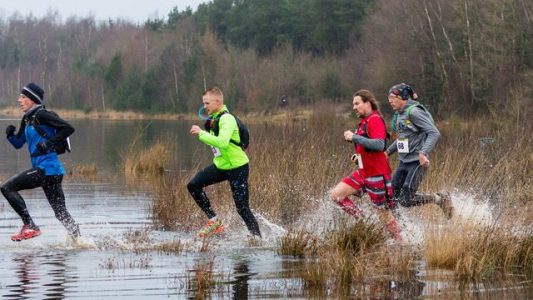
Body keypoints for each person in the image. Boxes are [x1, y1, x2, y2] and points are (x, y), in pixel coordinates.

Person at [2, 82, 80, 241]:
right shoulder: (27, 119)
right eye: (20, 97)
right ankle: (79, 241)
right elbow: (18, 143)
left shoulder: (42, 115)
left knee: (7, 188)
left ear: (32, 99)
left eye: (23, 97)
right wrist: (10, 135)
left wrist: (49, 144)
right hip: (51, 172)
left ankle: (30, 225)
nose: (20, 100)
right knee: (60, 213)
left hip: (48, 169)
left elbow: (68, 128)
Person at [188, 87, 261, 238]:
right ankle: (214, 222)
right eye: (204, 103)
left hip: (238, 168)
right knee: (193, 185)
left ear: (218, 102)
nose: (204, 106)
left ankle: (258, 240)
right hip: (221, 166)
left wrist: (201, 134)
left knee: (242, 209)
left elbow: (222, 142)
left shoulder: (227, 119)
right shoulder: (214, 119)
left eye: (207, 103)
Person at [330, 89, 402, 242]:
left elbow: (379, 144)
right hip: (363, 172)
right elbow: (369, 147)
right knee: (336, 195)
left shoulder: (375, 119)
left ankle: (402, 243)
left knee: (384, 215)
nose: (354, 107)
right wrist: (359, 156)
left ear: (367, 103)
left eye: (357, 103)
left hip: (377, 174)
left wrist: (354, 136)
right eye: (353, 104)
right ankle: (365, 223)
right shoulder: (365, 121)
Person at [386, 83, 453, 218]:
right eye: (389, 97)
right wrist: (387, 152)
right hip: (403, 162)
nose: (390, 100)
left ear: (403, 97)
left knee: (406, 200)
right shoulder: (400, 114)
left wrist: (423, 153)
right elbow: (403, 138)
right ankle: (400, 230)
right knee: (391, 198)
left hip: (417, 162)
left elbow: (434, 132)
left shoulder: (414, 112)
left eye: (393, 97)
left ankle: (440, 199)